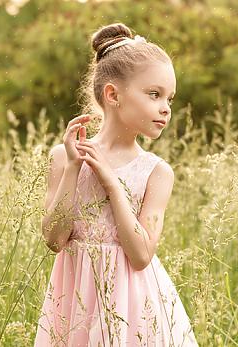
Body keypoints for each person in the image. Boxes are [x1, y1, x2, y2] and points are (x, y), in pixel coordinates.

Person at [35, 22, 198, 346]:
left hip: (134, 308)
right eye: (154, 94)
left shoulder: (157, 172)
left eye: (169, 98)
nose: (165, 107)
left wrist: (111, 184)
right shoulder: (63, 157)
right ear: (113, 95)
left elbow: (140, 255)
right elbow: (54, 239)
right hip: (73, 301)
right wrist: (73, 168)